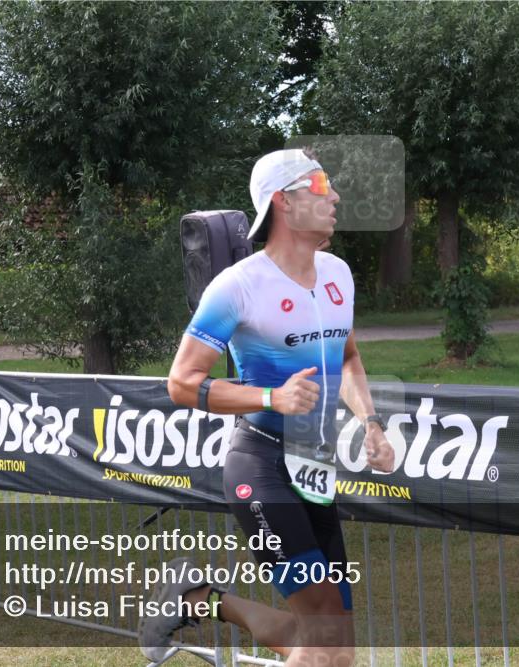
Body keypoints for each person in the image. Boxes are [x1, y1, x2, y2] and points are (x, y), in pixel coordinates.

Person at [138, 148, 395, 666]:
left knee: (335, 646)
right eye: (321, 184)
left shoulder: (339, 275)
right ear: (284, 201)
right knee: (324, 642)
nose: (335, 196)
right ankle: (193, 598)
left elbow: (347, 358)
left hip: (313, 468)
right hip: (261, 468)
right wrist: (270, 397)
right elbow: (181, 383)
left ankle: (194, 599)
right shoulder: (238, 286)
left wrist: (371, 423)